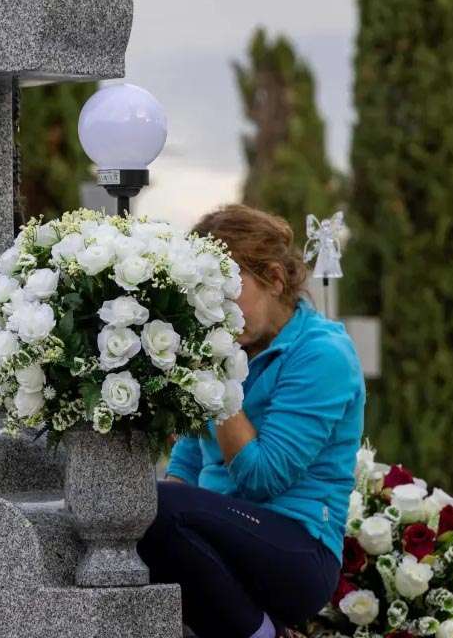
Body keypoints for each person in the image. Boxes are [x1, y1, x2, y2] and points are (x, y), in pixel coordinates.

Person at [137, 204, 365, 638]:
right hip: (227, 537)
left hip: (299, 551)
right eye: (206, 291)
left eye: (228, 288)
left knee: (158, 507)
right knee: (139, 510)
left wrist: (218, 375)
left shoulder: (323, 354)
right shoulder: (231, 344)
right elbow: (185, 466)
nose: (217, 308)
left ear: (275, 279)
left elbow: (261, 477)